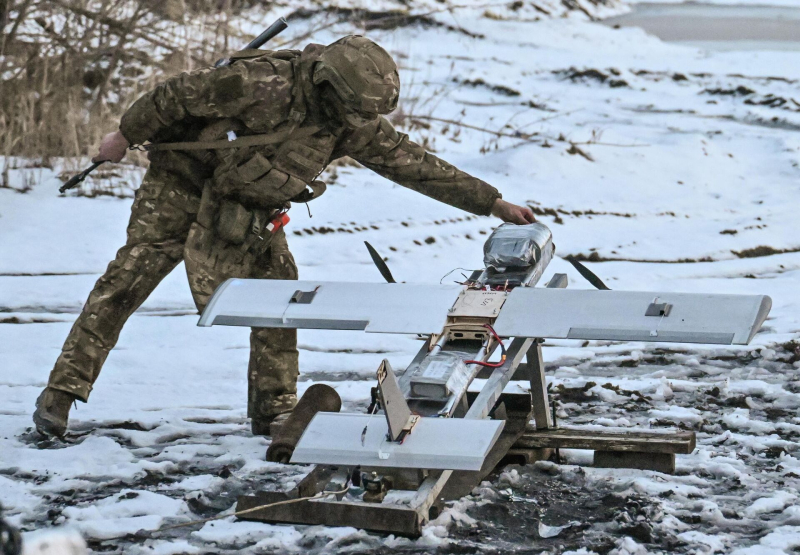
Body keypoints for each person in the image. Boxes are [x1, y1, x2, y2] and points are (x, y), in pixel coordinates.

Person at [33, 35, 536, 438]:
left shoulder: (350, 124)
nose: (361, 124)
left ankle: (275, 410)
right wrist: (122, 136)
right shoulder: (255, 83)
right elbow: (173, 97)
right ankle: (60, 394)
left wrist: (492, 201)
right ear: (327, 87)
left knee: (279, 293)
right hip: (181, 184)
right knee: (127, 281)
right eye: (355, 111)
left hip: (249, 207)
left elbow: (415, 166)